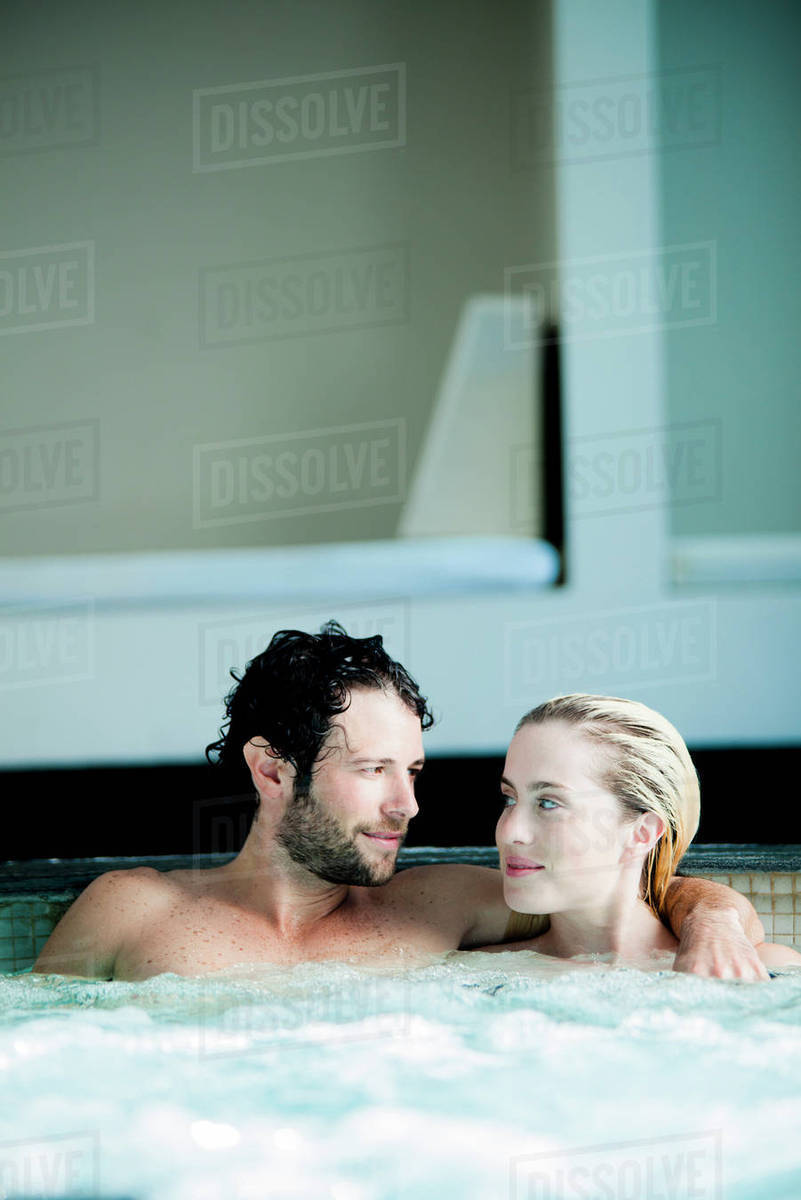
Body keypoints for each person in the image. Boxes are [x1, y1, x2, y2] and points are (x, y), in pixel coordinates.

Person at [33, 623, 770, 981]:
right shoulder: (133, 910)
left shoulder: (440, 904)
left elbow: (626, 883)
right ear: (271, 770)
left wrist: (714, 920)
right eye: (374, 769)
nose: (407, 805)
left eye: (412, 770)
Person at [476, 693, 800, 969]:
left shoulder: (761, 974)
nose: (509, 832)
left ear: (642, 833)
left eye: (548, 803)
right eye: (510, 798)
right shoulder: (466, 974)